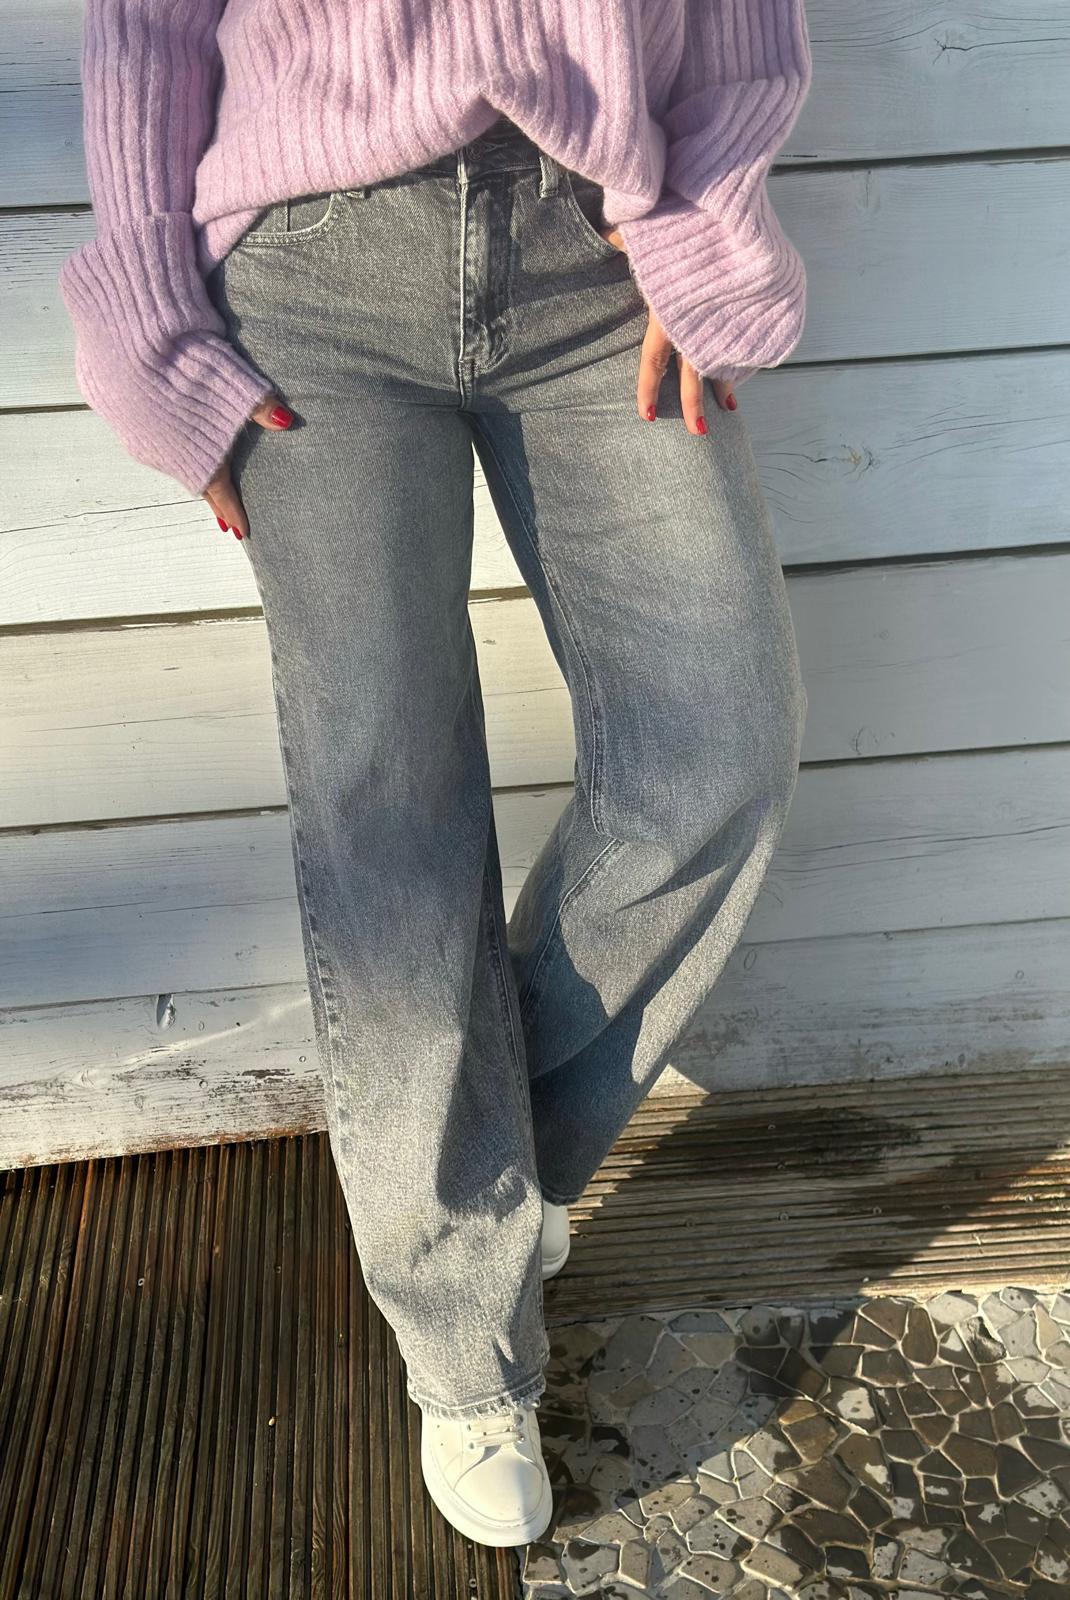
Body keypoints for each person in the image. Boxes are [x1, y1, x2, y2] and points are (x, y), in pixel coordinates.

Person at [59, 0, 813, 1552]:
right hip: (308, 266)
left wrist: (705, 220)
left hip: (594, 243)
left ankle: (480, 1182)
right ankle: (464, 1342)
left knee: (713, 742)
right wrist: (153, 315)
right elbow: (146, 26)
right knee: (388, 812)